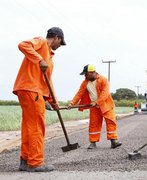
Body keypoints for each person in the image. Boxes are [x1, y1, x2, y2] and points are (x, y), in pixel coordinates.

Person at [13, 27, 66, 172]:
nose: (60, 46)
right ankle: (36, 162)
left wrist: (53, 100)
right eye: (60, 42)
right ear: (56, 37)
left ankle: (25, 160)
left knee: (28, 127)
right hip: (31, 90)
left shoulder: (50, 59)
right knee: (37, 126)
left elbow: (47, 81)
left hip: (29, 90)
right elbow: (22, 44)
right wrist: (40, 59)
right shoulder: (41, 42)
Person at [68, 64, 122, 149]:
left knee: (110, 122)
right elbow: (80, 93)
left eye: (86, 74)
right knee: (94, 124)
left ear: (91, 73)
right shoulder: (85, 82)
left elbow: (105, 93)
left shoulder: (103, 80)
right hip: (94, 107)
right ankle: (93, 142)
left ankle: (113, 141)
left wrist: (97, 102)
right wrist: (72, 103)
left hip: (106, 105)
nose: (85, 76)